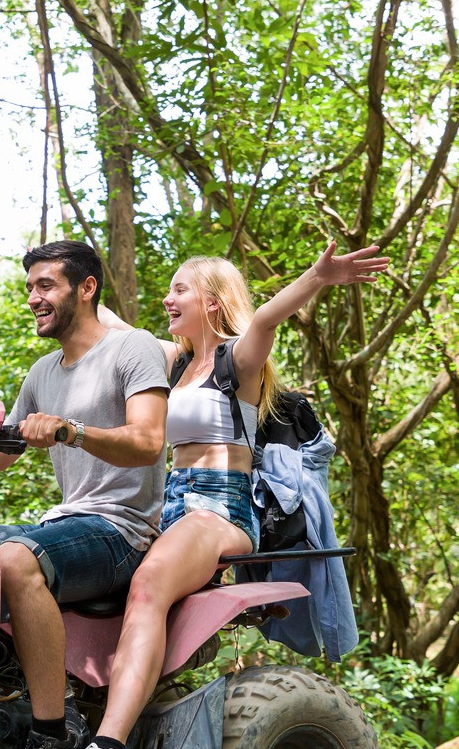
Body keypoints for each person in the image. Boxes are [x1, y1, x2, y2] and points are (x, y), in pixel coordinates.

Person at [86, 241, 388, 749]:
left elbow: (267, 319)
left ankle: (107, 742)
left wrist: (318, 276)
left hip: (219, 507)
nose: (167, 298)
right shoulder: (174, 363)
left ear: (212, 301)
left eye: (180, 289)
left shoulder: (238, 360)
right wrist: (68, 277)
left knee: (148, 586)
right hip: (168, 508)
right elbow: (109, 325)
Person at [0, 240, 169, 749]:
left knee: (15, 558)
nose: (33, 298)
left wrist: (70, 430)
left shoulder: (131, 348)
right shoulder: (42, 372)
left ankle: (53, 730)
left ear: (87, 288)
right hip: (65, 524)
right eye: (30, 288)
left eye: (46, 285)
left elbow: (147, 442)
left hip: (122, 531)